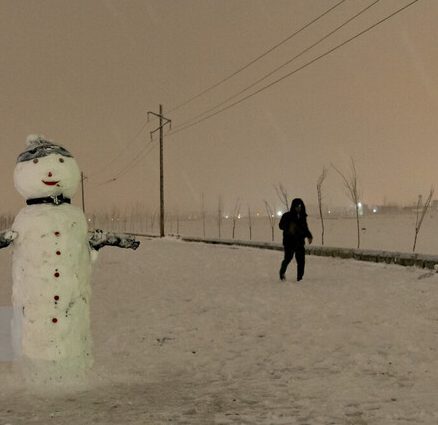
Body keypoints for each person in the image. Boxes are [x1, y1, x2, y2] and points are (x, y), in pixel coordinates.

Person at [278, 198, 313, 282]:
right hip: (289, 242)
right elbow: (280, 225)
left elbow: (305, 227)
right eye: (297, 206)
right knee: (288, 258)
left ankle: (299, 278)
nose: (298, 208)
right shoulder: (287, 215)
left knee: (301, 261)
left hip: (300, 242)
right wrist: (289, 226)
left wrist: (309, 236)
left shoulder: (302, 217)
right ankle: (282, 273)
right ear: (293, 206)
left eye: (300, 206)